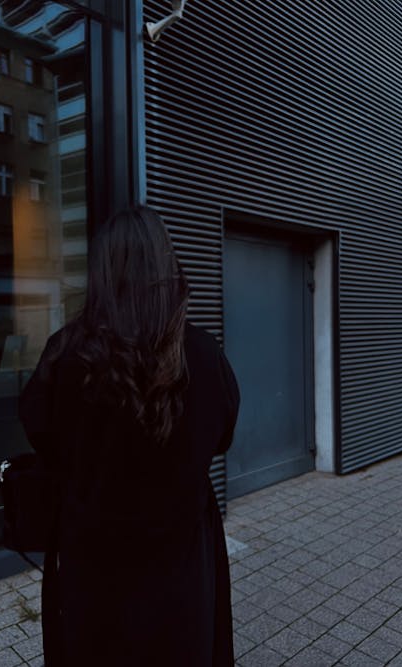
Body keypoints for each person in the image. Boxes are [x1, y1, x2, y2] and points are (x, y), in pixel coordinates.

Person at [19, 205, 240, 666]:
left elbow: (39, 432)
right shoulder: (202, 353)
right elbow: (223, 437)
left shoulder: (65, 354)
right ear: (166, 264)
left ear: (101, 272)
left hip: (92, 566)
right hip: (180, 567)